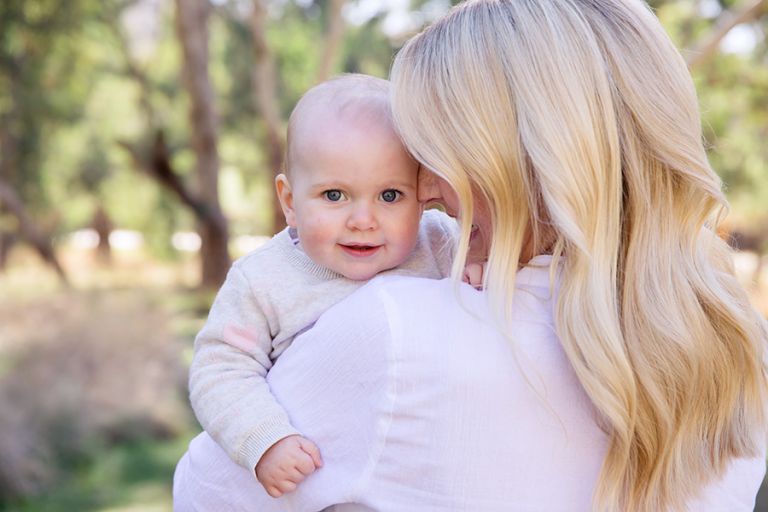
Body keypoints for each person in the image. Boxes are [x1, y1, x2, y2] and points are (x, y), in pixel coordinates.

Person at [175, 0, 768, 510]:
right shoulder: (735, 343)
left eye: (439, 156)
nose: (429, 191)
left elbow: (205, 496)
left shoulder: (396, 330)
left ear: (523, 158)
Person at [188, 74, 459, 498]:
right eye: (335, 195)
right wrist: (266, 438)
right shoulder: (263, 280)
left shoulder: (439, 243)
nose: (363, 220)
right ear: (290, 202)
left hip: (420, 477)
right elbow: (220, 368)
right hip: (319, 482)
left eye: (390, 195)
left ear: (424, 194)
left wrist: (480, 265)